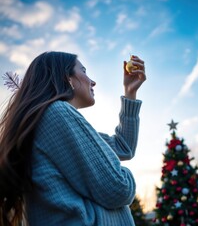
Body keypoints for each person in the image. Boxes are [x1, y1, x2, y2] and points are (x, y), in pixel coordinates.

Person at [0, 51, 146, 226]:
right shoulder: (56, 112)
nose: (92, 81)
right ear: (66, 77)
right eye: (83, 71)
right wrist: (126, 175)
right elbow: (117, 188)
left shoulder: (51, 119)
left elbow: (123, 147)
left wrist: (130, 92)